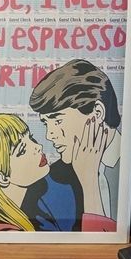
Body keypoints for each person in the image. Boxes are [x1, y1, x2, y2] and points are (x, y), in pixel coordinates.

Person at [0, 113, 115, 232]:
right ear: (2, 177)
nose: (38, 147)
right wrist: (89, 180)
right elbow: (96, 251)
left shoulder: (20, 215)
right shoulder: (8, 234)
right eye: (22, 150)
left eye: (31, 138)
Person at [30, 60, 123, 226]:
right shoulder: (47, 187)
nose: (49, 135)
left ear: (98, 113)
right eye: (45, 123)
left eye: (57, 120)